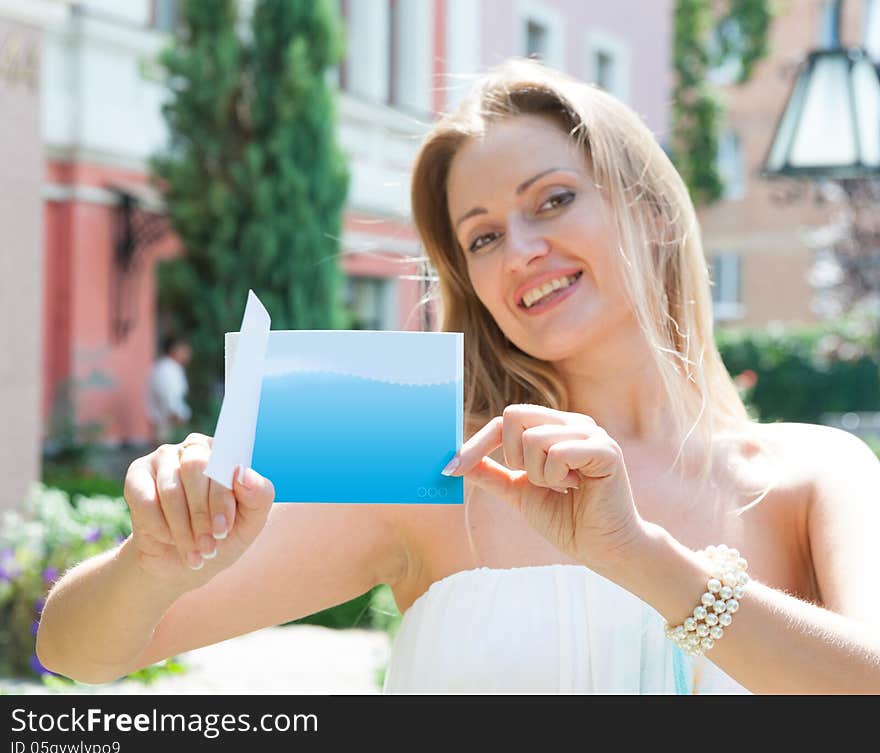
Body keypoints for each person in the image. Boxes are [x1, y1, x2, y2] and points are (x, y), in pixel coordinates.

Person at [36, 59, 880, 693]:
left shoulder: (815, 471)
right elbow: (73, 651)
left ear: (653, 215)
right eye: (480, 237)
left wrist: (637, 556)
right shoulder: (424, 448)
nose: (520, 250)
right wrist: (152, 560)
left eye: (552, 199)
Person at [147, 335, 193, 447]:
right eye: (184, 349)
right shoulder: (167, 369)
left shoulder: (169, 367)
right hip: (168, 423)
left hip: (168, 422)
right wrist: (175, 415)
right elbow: (168, 395)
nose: (188, 353)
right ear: (175, 350)